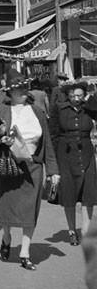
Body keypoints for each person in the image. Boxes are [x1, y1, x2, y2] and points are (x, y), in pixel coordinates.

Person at [0, 68, 60, 270]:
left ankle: (25, 253)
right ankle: (7, 236)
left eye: (25, 88)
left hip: (33, 166)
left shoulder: (37, 111)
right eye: (19, 89)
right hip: (9, 166)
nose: (24, 92)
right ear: (9, 92)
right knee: (7, 208)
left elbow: (48, 142)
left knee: (30, 210)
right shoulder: (0, 110)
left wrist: (53, 171)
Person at [48, 81, 97, 246]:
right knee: (69, 194)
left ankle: (85, 230)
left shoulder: (89, 108)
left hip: (86, 154)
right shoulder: (59, 109)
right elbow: (52, 135)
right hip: (65, 154)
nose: (76, 99)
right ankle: (71, 231)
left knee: (88, 194)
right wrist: (53, 164)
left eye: (79, 96)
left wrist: (89, 98)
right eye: (72, 96)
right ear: (67, 96)